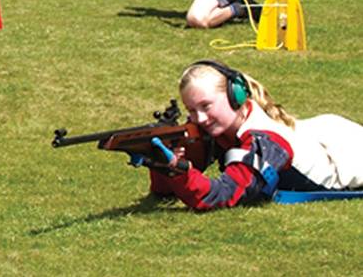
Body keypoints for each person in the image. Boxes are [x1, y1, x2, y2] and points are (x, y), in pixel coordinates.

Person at [144, 61, 363, 208]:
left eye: (206, 106)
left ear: (235, 96)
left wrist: (179, 169)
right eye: (191, 110)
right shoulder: (224, 126)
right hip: (322, 133)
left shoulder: (264, 141)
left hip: (348, 154)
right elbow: (164, 193)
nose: (200, 119)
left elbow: (222, 195)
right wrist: (162, 164)